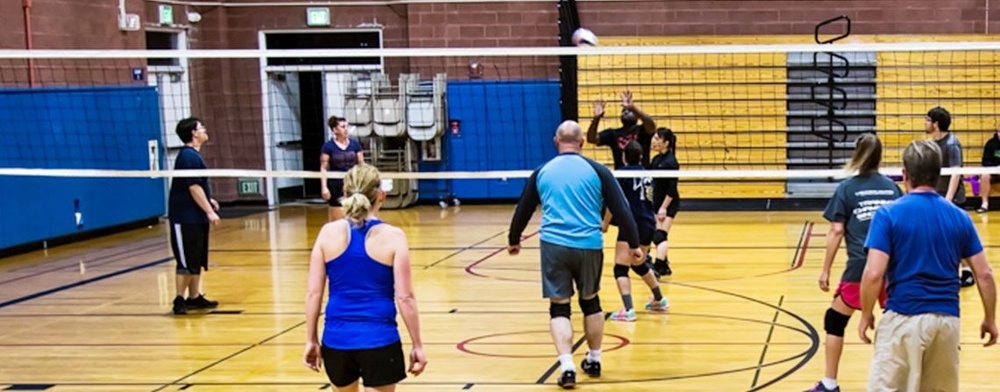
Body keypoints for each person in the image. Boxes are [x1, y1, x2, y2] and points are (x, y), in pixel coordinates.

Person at [508, 120, 642, 389]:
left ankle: (567, 366)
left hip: (554, 245)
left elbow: (524, 208)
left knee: (560, 306)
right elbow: (622, 209)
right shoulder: (598, 170)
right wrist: (635, 244)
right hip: (589, 243)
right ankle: (594, 358)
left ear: (556, 141)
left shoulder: (542, 171)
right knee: (590, 301)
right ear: (581, 143)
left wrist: (514, 239)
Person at [858, 139, 997, 391]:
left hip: (903, 318)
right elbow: (985, 274)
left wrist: (866, 314)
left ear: (905, 174)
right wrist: (989, 318)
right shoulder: (959, 217)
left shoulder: (888, 215)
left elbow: (874, 273)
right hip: (947, 324)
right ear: (938, 174)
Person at [303, 164, 427, 391]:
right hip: (380, 341)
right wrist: (417, 344)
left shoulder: (327, 233)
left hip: (337, 341)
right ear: (382, 195)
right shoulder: (393, 237)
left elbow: (313, 293)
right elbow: (406, 298)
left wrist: (311, 339)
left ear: (345, 193)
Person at [804, 133, 902, 392]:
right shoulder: (893, 188)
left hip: (861, 268)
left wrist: (825, 269)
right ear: (880, 156)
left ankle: (829, 383)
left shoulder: (847, 188)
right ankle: (898, 382)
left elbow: (837, 231)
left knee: (834, 321)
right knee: (896, 325)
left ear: (856, 155)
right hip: (892, 269)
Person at [602, 141, 669, 322]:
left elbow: (612, 202)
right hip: (647, 223)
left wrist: (605, 223)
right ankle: (659, 299)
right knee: (638, 264)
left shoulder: (621, 174)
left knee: (620, 268)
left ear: (624, 157)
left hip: (631, 224)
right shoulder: (647, 174)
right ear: (640, 156)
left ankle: (628, 309)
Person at [169, 117, 220, 315]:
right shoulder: (188, 156)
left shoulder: (193, 156)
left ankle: (194, 297)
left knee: (196, 258)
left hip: (195, 216)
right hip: (184, 218)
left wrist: (209, 200)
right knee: (185, 261)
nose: (205, 129)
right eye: (201, 127)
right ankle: (179, 299)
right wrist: (209, 210)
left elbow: (197, 186)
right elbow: (193, 186)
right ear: (193, 133)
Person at [925, 106, 976, 287]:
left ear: (936, 124)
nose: (925, 122)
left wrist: (948, 199)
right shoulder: (931, 143)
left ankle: (968, 271)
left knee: (956, 236)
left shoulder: (952, 143)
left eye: (928, 120)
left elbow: (956, 173)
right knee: (935, 235)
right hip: (935, 196)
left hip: (952, 198)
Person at [586, 90, 657, 169]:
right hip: (622, 176)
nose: (626, 112)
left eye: (629, 111)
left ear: (637, 116)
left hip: (641, 176)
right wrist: (596, 119)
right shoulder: (613, 134)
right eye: (624, 111)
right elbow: (591, 139)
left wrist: (633, 108)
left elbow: (652, 125)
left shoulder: (642, 131)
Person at [648, 128, 680, 277]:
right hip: (657, 202)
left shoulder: (671, 162)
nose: (653, 141)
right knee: (658, 235)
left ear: (665, 143)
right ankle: (664, 267)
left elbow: (672, 189)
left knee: (660, 236)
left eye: (656, 138)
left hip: (668, 204)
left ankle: (658, 266)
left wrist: (663, 208)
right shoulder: (656, 160)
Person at [321, 116, 365, 222]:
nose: (346, 129)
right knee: (338, 220)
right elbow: (323, 168)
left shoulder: (355, 145)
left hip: (352, 185)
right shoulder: (328, 147)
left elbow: (362, 165)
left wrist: (363, 183)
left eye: (347, 126)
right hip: (335, 185)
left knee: (354, 219)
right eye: (343, 126)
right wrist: (324, 187)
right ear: (334, 130)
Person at [977, 124, 1000, 213]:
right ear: (997, 132)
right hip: (993, 172)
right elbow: (985, 162)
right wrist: (996, 168)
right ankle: (984, 204)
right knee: (985, 176)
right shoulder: (991, 144)